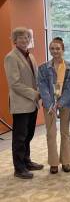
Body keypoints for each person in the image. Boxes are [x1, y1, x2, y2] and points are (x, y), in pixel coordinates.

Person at [4, 27, 44, 179]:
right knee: (20, 137)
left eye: (27, 37)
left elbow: (35, 78)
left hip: (32, 104)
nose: (25, 40)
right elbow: (14, 83)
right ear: (15, 40)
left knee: (29, 134)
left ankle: (26, 161)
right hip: (21, 104)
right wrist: (35, 94)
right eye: (21, 38)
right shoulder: (11, 57)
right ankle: (19, 168)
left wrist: (42, 90)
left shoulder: (30, 56)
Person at [37, 37, 70, 174]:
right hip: (49, 106)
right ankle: (53, 163)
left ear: (63, 49)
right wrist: (50, 104)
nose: (55, 51)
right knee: (51, 134)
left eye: (58, 48)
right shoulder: (43, 68)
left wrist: (61, 102)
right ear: (50, 50)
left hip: (65, 104)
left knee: (65, 133)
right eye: (52, 48)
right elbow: (42, 87)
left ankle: (66, 161)